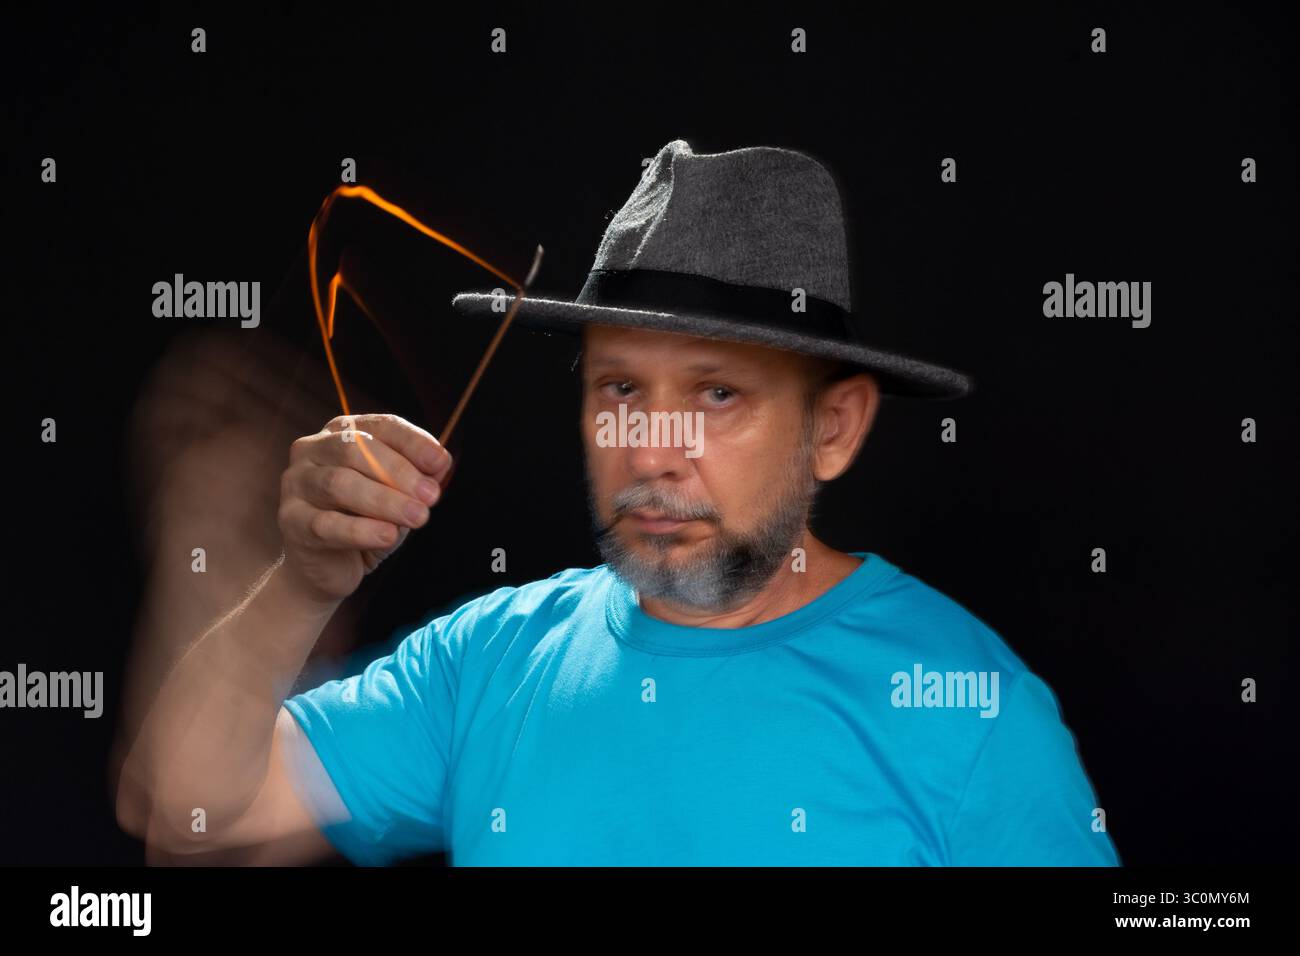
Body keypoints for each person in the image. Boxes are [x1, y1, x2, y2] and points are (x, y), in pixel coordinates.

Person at [116, 140, 1120, 866]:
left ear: (835, 426)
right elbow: (194, 808)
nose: (652, 450)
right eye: (620, 388)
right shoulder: (489, 660)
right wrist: (299, 582)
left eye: (717, 392)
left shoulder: (969, 708)